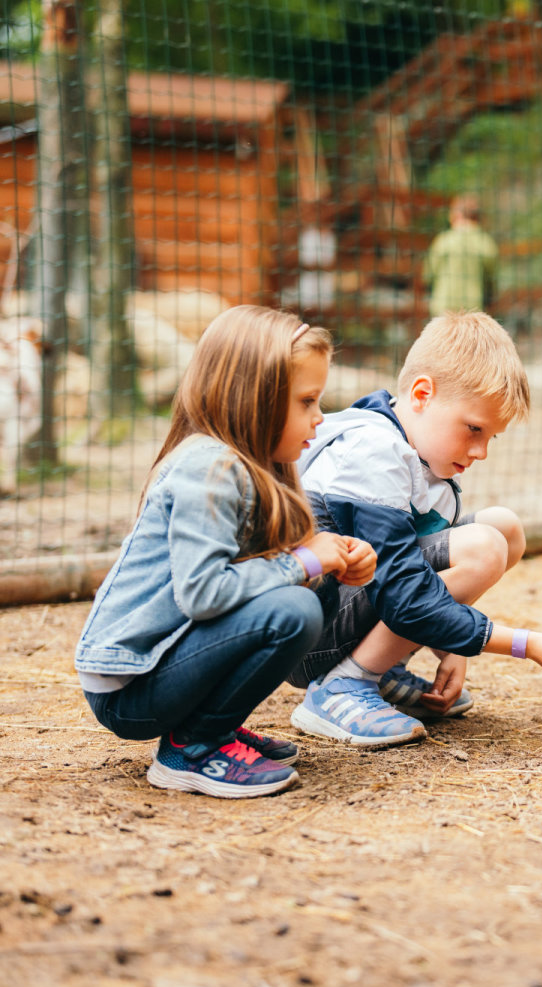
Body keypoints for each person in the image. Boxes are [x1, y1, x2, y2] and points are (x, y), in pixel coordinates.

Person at [75, 306, 376, 798]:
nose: (319, 417)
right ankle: (191, 749)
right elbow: (204, 593)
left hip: (168, 661)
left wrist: (337, 562)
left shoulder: (252, 467)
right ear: (255, 398)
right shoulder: (210, 469)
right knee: (296, 605)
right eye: (306, 401)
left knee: (310, 595)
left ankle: (212, 726)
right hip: (131, 686)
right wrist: (304, 562)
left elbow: (261, 577)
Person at [287, 309, 542, 747]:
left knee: (505, 529)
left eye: (490, 437)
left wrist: (450, 646)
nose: (480, 451)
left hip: (354, 609)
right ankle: (345, 684)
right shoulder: (373, 453)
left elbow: (417, 578)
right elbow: (406, 594)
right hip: (311, 634)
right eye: (473, 429)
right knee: (482, 548)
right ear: (422, 394)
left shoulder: (418, 453)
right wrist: (527, 644)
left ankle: (380, 669)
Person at [423, 193, 498, 317]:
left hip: (443, 310)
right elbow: (491, 282)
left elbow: (428, 275)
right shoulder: (486, 243)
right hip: (473, 311)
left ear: (457, 214)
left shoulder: (443, 241)